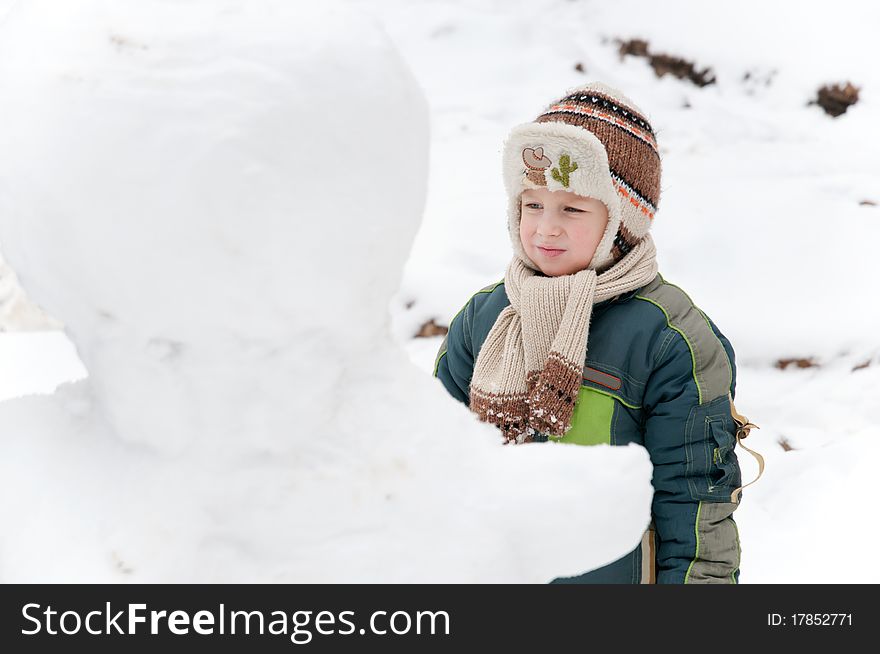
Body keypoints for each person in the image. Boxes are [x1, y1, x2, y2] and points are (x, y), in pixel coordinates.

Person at [434, 81, 749, 584]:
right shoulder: (485, 317)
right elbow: (429, 466)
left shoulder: (668, 338)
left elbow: (695, 506)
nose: (545, 228)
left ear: (623, 222)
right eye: (532, 205)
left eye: (572, 209)